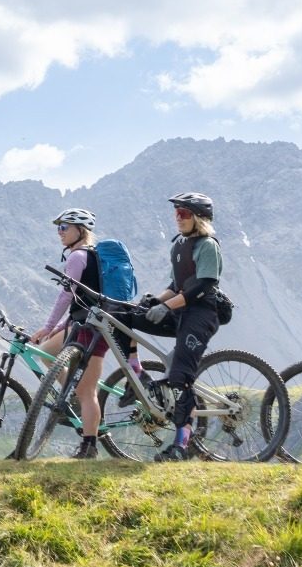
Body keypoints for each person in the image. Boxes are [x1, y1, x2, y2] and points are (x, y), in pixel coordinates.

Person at [126, 192, 227, 462]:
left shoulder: (207, 246)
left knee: (180, 378)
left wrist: (167, 306)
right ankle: (137, 374)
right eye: (176, 213)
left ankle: (181, 447)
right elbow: (175, 286)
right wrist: (155, 301)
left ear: (199, 218)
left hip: (201, 315)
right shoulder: (179, 245)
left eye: (183, 214)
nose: (178, 218)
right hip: (179, 311)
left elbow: (203, 285)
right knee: (126, 317)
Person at [31, 207, 126, 459]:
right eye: (58, 228)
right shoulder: (93, 256)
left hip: (91, 329)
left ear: (80, 230)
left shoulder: (77, 257)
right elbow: (81, 302)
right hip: (88, 324)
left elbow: (66, 295)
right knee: (47, 352)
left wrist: (48, 327)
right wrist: (60, 328)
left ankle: (89, 445)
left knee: (87, 391)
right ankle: (75, 396)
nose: (59, 233)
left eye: (64, 227)